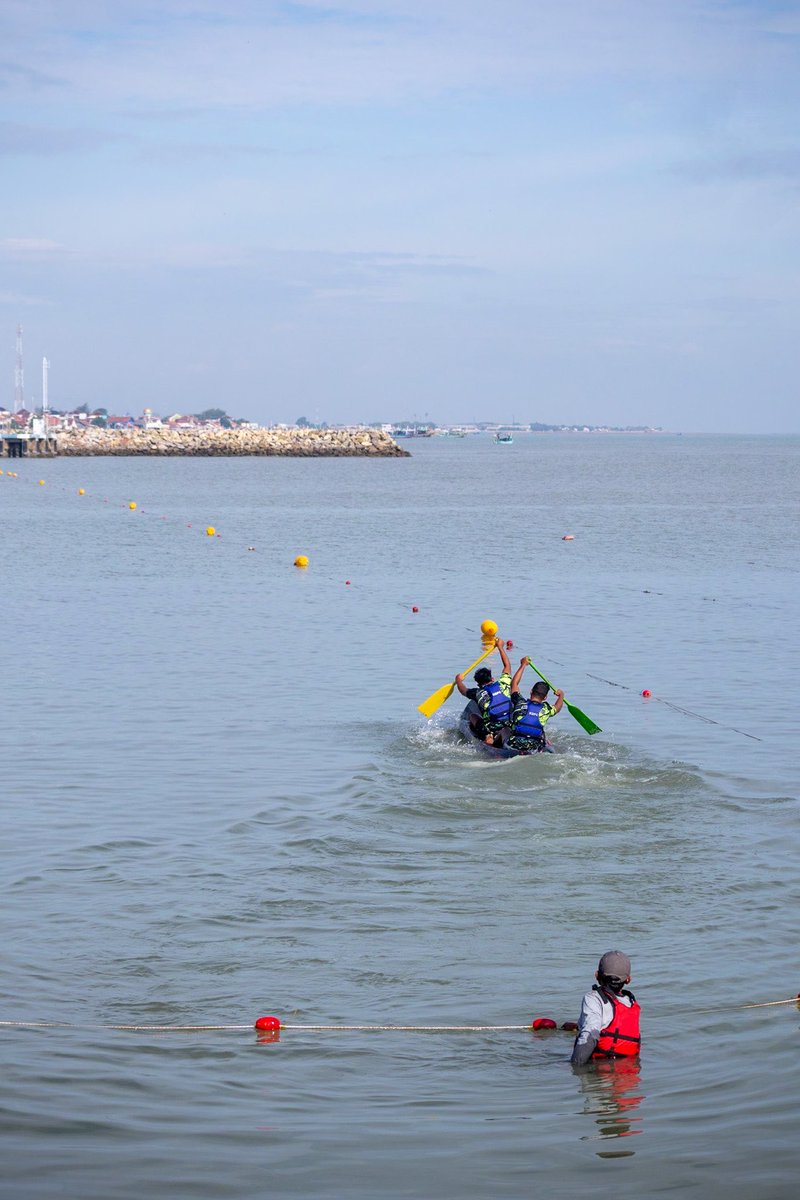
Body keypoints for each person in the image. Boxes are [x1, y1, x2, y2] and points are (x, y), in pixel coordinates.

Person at [571, 950, 641, 1067]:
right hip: (629, 1078)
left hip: (601, 1073)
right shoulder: (631, 1003)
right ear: (628, 980)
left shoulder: (593, 998)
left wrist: (573, 1067)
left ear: (597, 975)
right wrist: (578, 1026)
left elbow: (591, 1035)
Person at [455, 638, 512, 745]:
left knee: (472, 717)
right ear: (492, 679)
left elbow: (463, 690)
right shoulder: (503, 684)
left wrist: (458, 681)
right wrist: (500, 647)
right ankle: (501, 735)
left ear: (478, 684)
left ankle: (488, 737)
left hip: (491, 726)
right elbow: (507, 666)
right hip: (507, 722)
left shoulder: (477, 693)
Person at [507, 657, 564, 753]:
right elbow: (557, 708)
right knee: (544, 737)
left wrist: (523, 665)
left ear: (531, 691)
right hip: (534, 746)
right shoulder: (546, 710)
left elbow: (514, 684)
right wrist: (561, 695)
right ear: (545, 697)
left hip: (515, 744)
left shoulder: (520, 703)